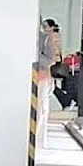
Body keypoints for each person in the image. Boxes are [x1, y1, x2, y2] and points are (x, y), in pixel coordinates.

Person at [36, 18, 63, 147]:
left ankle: (39, 138)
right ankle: (40, 139)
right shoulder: (52, 37)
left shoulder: (49, 38)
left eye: (45, 26)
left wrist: (36, 58)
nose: (43, 29)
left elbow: (52, 59)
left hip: (42, 76)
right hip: (45, 76)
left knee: (41, 108)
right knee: (43, 108)